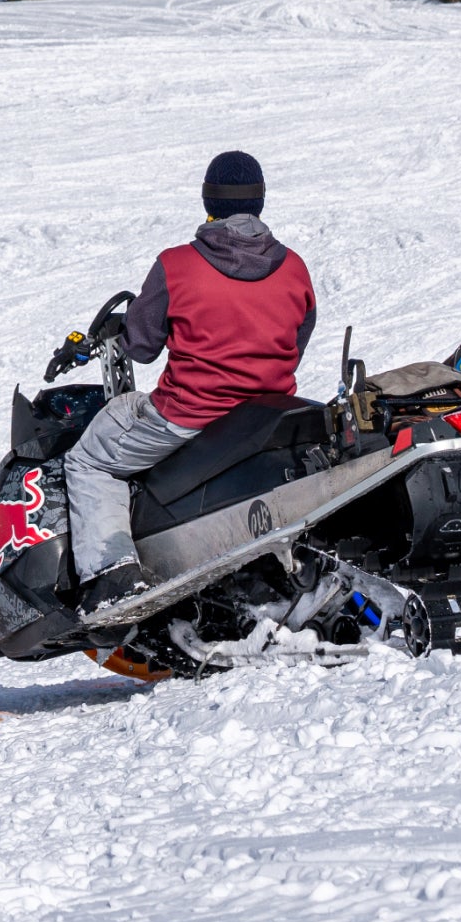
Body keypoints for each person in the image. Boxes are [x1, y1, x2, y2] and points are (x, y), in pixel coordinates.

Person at [60, 151, 317, 608]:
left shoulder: (177, 265)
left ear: (207, 200)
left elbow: (140, 346)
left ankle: (111, 577)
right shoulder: (294, 267)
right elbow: (298, 340)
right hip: (267, 417)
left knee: (90, 462)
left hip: (188, 416)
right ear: (260, 200)